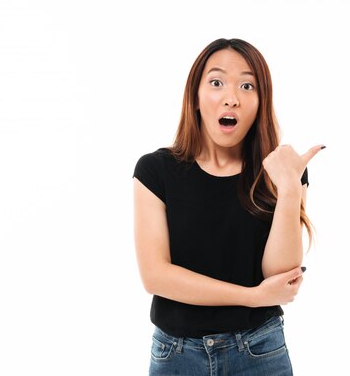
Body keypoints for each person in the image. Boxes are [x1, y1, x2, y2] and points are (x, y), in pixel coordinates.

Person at [133, 38, 323, 375]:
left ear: (261, 101)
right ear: (195, 96)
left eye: (247, 85)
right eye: (216, 82)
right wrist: (251, 296)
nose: (231, 98)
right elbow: (156, 276)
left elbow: (280, 277)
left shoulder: (283, 170)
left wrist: (291, 189)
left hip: (260, 350)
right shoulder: (155, 171)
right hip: (176, 356)